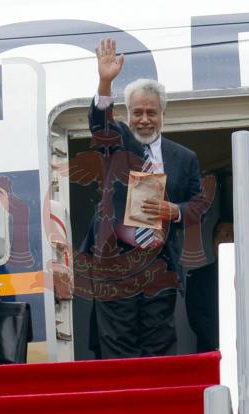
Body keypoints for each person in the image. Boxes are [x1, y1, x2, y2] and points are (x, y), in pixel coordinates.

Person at [81, 38, 202, 358]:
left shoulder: (184, 157)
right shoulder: (116, 141)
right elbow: (98, 121)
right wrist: (105, 82)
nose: (144, 119)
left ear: (162, 114)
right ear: (127, 115)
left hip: (159, 266)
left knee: (158, 347)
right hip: (115, 264)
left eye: (151, 112)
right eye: (137, 113)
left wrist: (175, 210)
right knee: (118, 348)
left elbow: (199, 206)